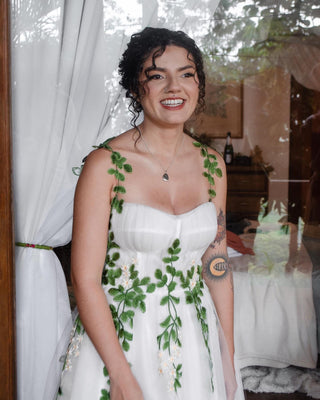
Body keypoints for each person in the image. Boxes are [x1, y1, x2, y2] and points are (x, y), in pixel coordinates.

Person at [57, 27, 244, 400]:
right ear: (134, 88)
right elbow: (86, 281)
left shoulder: (212, 166)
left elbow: (216, 264)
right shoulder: (105, 165)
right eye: (157, 76)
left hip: (194, 339)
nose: (174, 88)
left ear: (199, 87)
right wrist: (121, 375)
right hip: (122, 340)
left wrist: (227, 353)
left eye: (186, 75)